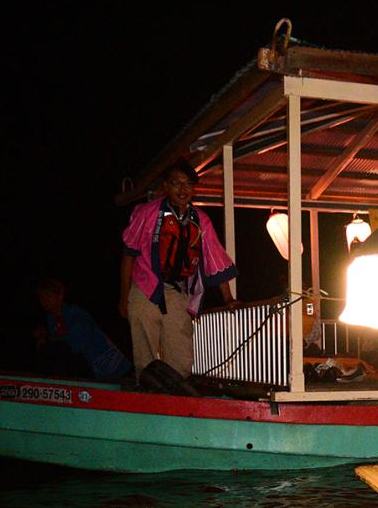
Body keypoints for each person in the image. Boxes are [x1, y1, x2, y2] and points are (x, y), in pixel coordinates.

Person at [118, 160, 238, 381]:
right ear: (166, 186)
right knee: (145, 354)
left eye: (187, 184)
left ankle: (176, 398)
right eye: (176, 183)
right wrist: (123, 298)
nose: (182, 190)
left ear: (194, 189)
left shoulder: (201, 220)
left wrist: (228, 297)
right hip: (145, 288)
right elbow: (128, 255)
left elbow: (215, 258)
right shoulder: (146, 213)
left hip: (177, 291)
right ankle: (145, 397)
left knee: (180, 354)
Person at [33, 278, 131, 380]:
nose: (44, 301)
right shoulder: (51, 319)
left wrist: (48, 338)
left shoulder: (75, 313)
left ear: (60, 296)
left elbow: (76, 344)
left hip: (109, 365)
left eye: (48, 296)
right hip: (88, 367)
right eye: (41, 297)